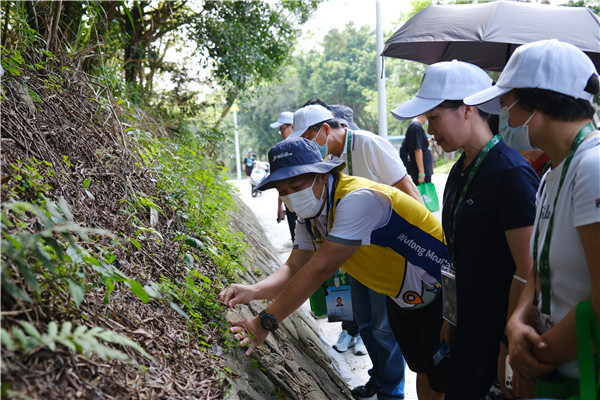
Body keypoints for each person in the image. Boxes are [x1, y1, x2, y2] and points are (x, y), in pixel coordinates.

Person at [220, 138, 449, 400]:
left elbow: (320, 269)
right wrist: (253, 291)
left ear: (322, 175)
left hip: (439, 288)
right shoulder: (311, 217)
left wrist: (265, 322)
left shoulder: (357, 200)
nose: (290, 196)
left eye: (296, 186)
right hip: (402, 294)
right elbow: (293, 267)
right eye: (282, 191)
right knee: (424, 368)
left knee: (446, 377)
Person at [392, 60, 540, 400]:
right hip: (465, 327)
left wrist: (508, 343)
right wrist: (450, 318)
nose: (430, 130)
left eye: (434, 118)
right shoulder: (460, 171)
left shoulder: (510, 174)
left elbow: (528, 268)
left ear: (468, 109)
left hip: (498, 333)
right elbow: (456, 257)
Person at [464, 39, 600, 399]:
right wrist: (515, 323)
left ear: (538, 103)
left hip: (585, 378)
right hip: (555, 375)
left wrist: (531, 357)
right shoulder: (552, 174)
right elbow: (539, 271)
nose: (505, 120)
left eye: (507, 105)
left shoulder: (593, 167)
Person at [289, 104, 423, 399]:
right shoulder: (329, 160)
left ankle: (391, 392)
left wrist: (419, 249)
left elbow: (408, 189)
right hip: (355, 253)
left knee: (384, 327)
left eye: (308, 137)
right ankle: (379, 378)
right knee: (364, 322)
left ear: (325, 129)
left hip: (388, 253)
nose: (308, 145)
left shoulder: (368, 144)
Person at [270, 111, 297, 241]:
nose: (281, 133)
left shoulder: (304, 146)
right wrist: (280, 205)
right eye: (280, 130)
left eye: (282, 129)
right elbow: (281, 181)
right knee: (296, 239)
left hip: (304, 200)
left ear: (292, 126)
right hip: (289, 201)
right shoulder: (281, 150)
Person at [399, 114, 433, 185]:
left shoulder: (414, 126)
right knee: (422, 191)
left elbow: (419, 144)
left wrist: (431, 139)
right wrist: (421, 172)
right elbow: (417, 149)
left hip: (419, 168)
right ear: (423, 114)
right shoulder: (416, 127)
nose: (426, 120)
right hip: (420, 169)